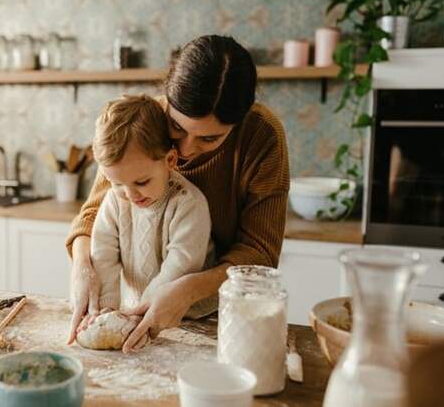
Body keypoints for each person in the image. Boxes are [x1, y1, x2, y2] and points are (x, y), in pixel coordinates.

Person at [66, 34, 290, 353]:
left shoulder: (262, 135)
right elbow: (94, 215)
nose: (184, 150)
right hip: (136, 309)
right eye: (177, 127)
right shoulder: (143, 122)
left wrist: (186, 289)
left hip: (220, 311)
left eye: (209, 139)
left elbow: (260, 253)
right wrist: (82, 267)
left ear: (239, 122)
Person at [74, 95, 216, 344]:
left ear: (170, 160)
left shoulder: (188, 204)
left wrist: (140, 314)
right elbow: (103, 252)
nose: (130, 195)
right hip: (136, 311)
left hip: (195, 319)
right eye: (117, 183)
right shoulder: (115, 200)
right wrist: (106, 310)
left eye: (142, 182)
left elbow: (180, 264)